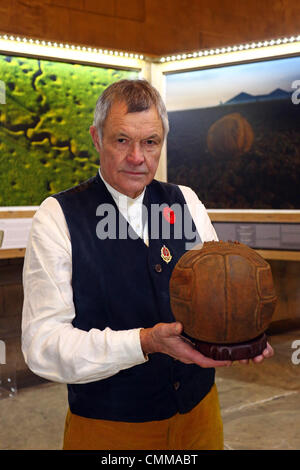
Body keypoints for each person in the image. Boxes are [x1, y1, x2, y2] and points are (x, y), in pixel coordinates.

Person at [21, 79, 273, 450]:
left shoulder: (184, 201)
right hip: (109, 428)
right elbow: (42, 345)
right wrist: (145, 342)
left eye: (150, 142)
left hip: (200, 416)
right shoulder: (57, 216)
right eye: (122, 140)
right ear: (96, 137)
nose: (137, 157)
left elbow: (219, 294)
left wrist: (242, 334)